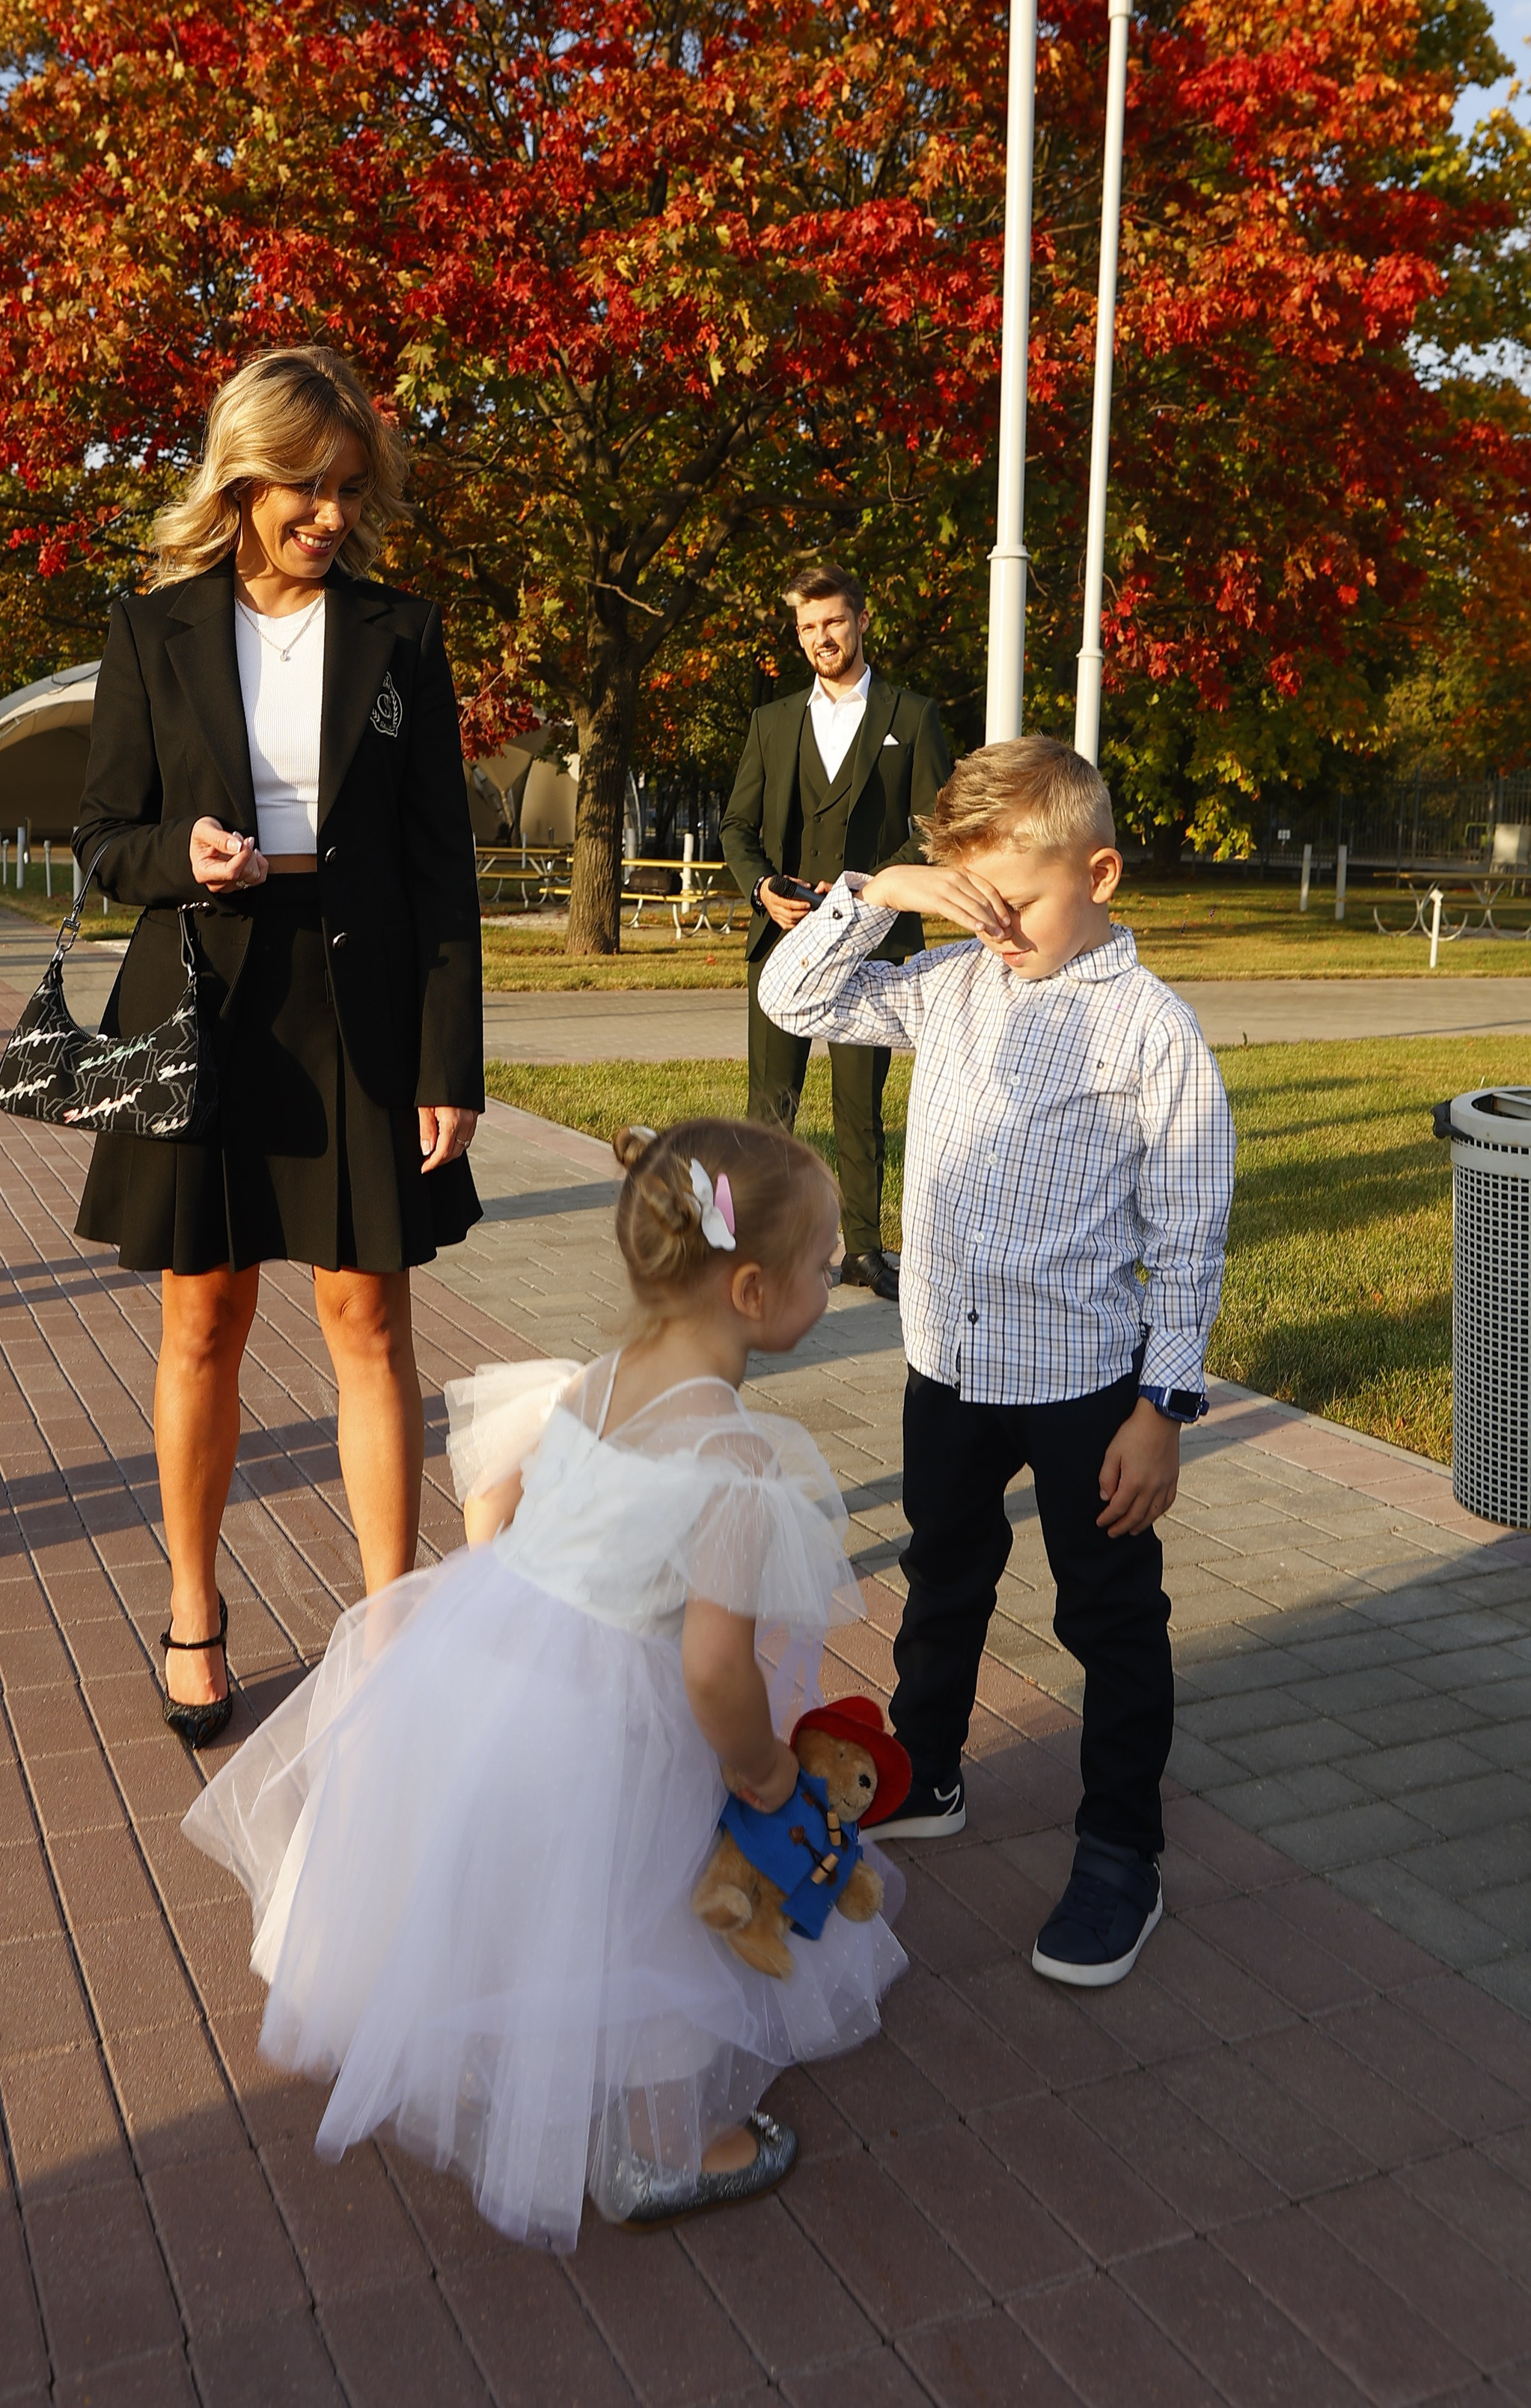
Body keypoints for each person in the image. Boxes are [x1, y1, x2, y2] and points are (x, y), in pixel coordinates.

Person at [183, 1116, 908, 2250]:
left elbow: (501, 1505)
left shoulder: (596, 1380)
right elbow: (716, 1668)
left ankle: (499, 2050)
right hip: (610, 1720)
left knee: (524, 1884)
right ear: (754, 1289)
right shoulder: (734, 1460)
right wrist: (761, 1769)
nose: (832, 1283)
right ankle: (656, 2150)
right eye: (824, 1267)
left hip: (495, 1661)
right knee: (641, 1918)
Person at [757, 736, 1234, 1987]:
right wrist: (883, 894)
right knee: (944, 1574)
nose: (997, 923)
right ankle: (928, 1767)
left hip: (1085, 1383)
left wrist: (1163, 1407)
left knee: (1109, 1618)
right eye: (973, 896)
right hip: (949, 1367)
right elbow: (793, 1002)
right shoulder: (948, 982)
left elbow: (1192, 1227)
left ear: (1103, 872)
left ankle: (1123, 1850)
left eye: (1016, 898)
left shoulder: (1152, 1032)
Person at [73, 345, 483, 1747]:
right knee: (206, 1316)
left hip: (359, 997)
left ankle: (389, 1629)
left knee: (367, 1314)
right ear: (245, 476)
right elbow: (102, 835)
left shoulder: (403, 635)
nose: (332, 513)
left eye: (349, 490)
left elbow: (444, 866)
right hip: (208, 991)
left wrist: (451, 1063)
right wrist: (178, 855)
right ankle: (194, 1611)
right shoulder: (154, 628)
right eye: (310, 486)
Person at [720, 560, 952, 1301]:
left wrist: (869, 890)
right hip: (782, 939)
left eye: (833, 622)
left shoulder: (911, 717)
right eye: (808, 627)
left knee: (861, 1107)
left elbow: (935, 829)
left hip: (869, 944)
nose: (822, 637)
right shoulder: (771, 721)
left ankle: (862, 1250)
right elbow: (736, 825)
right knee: (771, 1105)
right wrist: (761, 887)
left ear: (860, 620)